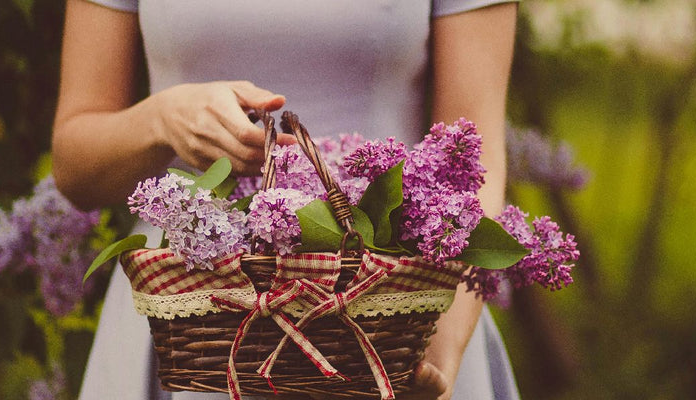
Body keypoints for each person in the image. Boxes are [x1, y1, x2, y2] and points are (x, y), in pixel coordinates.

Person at [51, 1, 520, 399]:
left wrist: (435, 353)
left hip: (393, 304)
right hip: (192, 310)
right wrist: (160, 120)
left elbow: (475, 157)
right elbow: (75, 164)